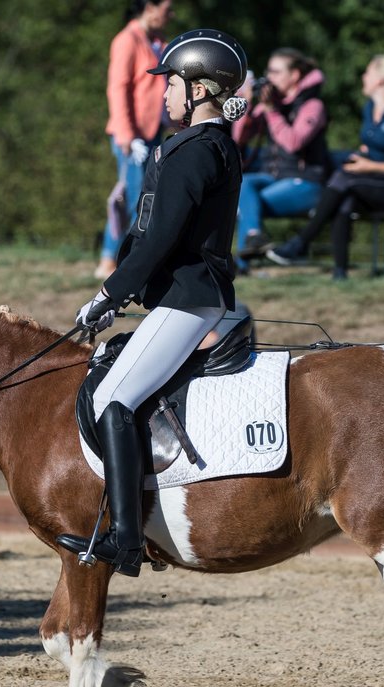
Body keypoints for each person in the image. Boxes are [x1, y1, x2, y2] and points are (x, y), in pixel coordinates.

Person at [58, 29, 249, 577]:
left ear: (198, 89)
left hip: (190, 299)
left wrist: (107, 296)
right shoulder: (212, 145)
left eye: (170, 84)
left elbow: (161, 238)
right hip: (193, 297)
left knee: (113, 400)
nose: (162, 94)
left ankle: (127, 540)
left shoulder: (193, 151)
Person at [267, 54, 384, 280]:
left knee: (344, 180)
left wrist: (370, 165)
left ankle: (302, 242)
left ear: (380, 80)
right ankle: (340, 272)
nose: (363, 76)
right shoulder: (370, 109)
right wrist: (363, 157)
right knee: (345, 197)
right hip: (372, 184)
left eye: (368, 72)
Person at [96, 0, 175, 282]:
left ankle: (120, 258)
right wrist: (127, 135)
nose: (171, 15)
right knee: (132, 198)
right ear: (150, 8)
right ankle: (113, 259)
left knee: (143, 197)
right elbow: (118, 88)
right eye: (167, 9)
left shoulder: (155, 42)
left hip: (152, 132)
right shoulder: (127, 40)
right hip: (132, 135)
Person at [232, 47, 331, 269]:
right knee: (242, 184)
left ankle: (242, 263)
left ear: (294, 75)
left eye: (276, 72)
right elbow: (239, 138)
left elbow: (293, 142)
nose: (270, 78)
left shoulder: (313, 106)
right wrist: (247, 106)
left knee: (247, 202)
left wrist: (270, 110)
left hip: (306, 183)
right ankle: (254, 238)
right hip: (275, 178)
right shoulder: (273, 104)